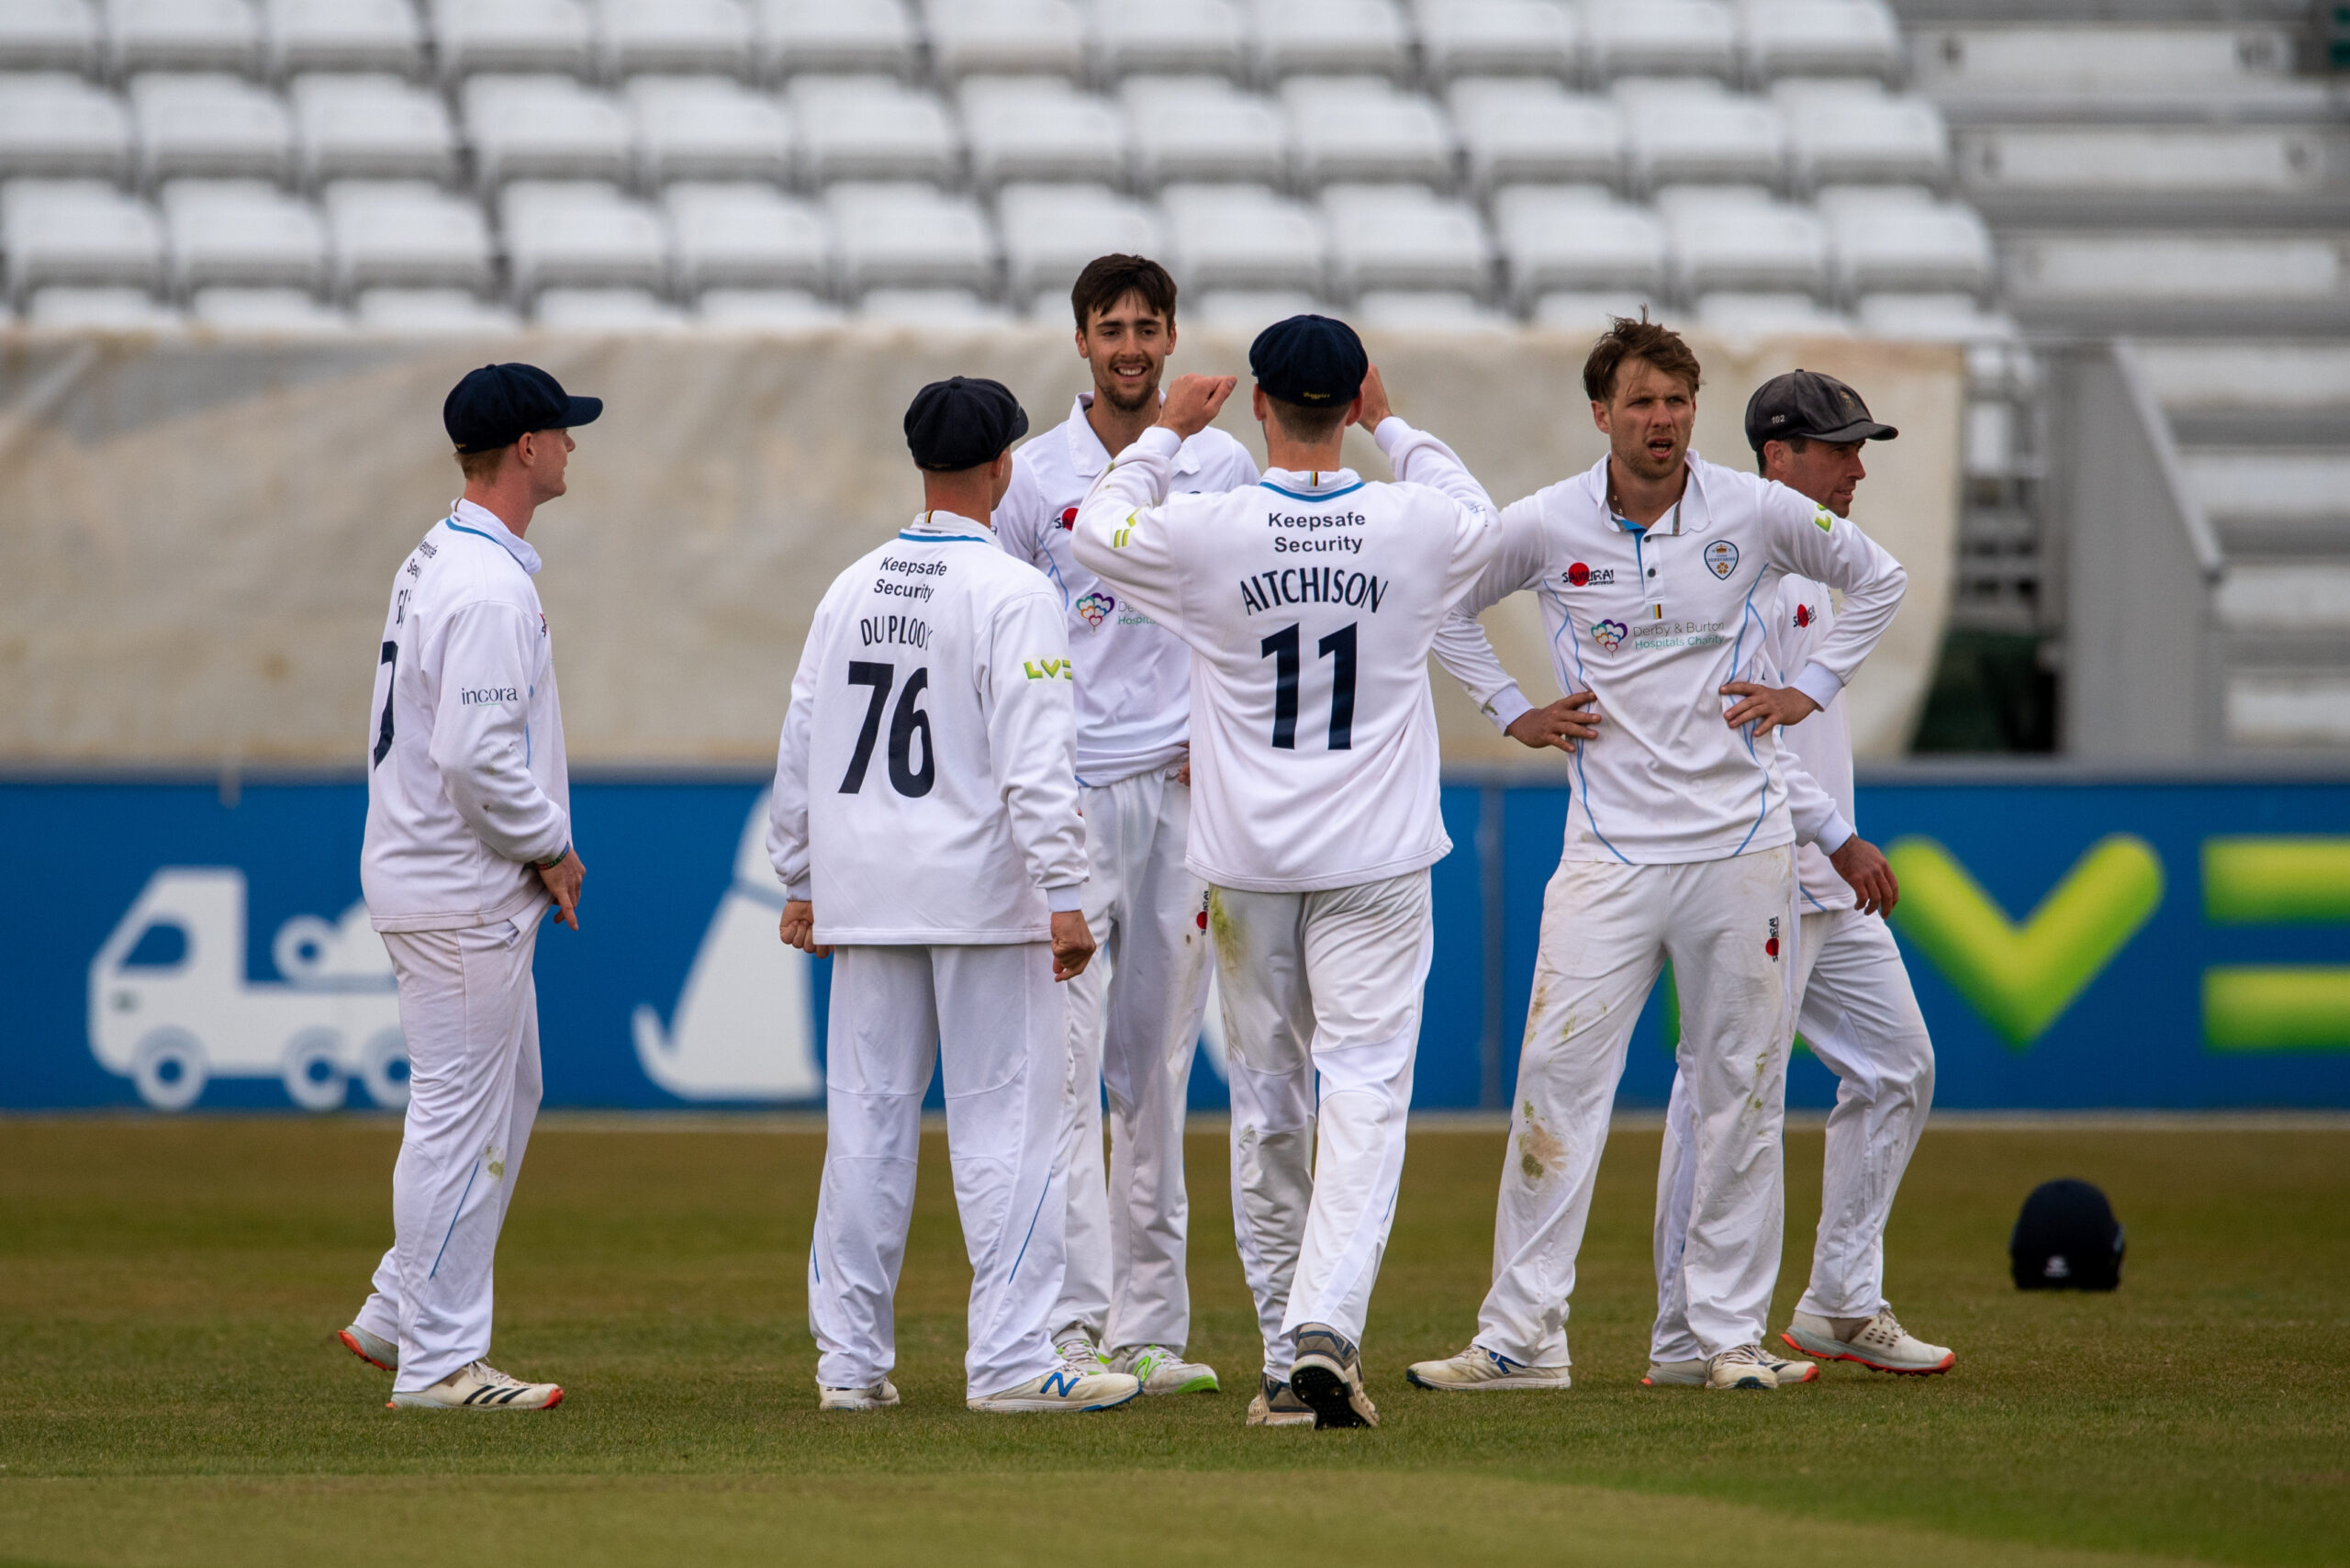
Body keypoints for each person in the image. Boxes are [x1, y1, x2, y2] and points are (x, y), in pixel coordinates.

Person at [1409, 318, 1908, 1394]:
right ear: (1602, 414)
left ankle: (1720, 1338)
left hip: (1742, 850)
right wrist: (1510, 709)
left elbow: (1881, 580)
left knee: (1742, 1090)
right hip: (1609, 854)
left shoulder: (1753, 507)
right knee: (1555, 1085)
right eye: (1641, 402)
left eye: (1678, 401)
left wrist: (1806, 691)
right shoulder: (1546, 521)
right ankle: (1521, 1338)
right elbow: (1441, 606)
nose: (1663, 421)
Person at [1073, 317, 1502, 1429]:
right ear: (1350, 398)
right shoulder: (1412, 524)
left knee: (1267, 1101)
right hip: (1375, 858)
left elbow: (1095, 530)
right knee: (1361, 1093)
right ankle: (1322, 1332)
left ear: (1258, 402)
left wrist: (1162, 437)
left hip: (1249, 862)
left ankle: (1286, 1352)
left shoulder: (1209, 528)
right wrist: (1395, 423)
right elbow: (1481, 518)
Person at [768, 375, 1140, 1416]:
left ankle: (849, 1365)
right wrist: (1066, 892)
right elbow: (1037, 762)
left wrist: (798, 875)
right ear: (1003, 467)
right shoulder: (1015, 588)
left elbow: (803, 738)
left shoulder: (850, 583)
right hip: (981, 897)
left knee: (867, 1130)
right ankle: (1014, 1362)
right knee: (1006, 1130)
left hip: (867, 891)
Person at [1646, 370, 1950, 1386]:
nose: (1857, 468)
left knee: (1898, 1066)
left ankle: (1838, 1300)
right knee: (1720, 1090)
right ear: (1777, 457)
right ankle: (1686, 1336)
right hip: (1762, 864)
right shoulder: (1737, 570)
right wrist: (1840, 838)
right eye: (1839, 449)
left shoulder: (1823, 567)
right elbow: (1748, 743)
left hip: (1818, 876)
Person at [991, 254, 1259, 1397]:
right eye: (1113, 328)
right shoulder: (1030, 476)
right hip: (1068, 799)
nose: (1134, 345)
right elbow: (993, 629)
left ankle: (1149, 1326)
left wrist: (1226, 723)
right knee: (1062, 1068)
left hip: (1183, 792)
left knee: (1154, 1066)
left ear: (1170, 333)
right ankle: (1063, 1325)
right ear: (1080, 342)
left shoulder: (1223, 461)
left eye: (1150, 325)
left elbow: (1252, 609)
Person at [337, 362, 597, 1411]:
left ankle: (400, 1306)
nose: (574, 446)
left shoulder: (442, 552)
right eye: (563, 432)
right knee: (457, 1117)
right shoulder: (488, 584)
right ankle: (440, 1361)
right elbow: (477, 758)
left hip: (435, 876)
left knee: (507, 1092)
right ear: (527, 448)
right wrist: (551, 844)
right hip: (460, 889)